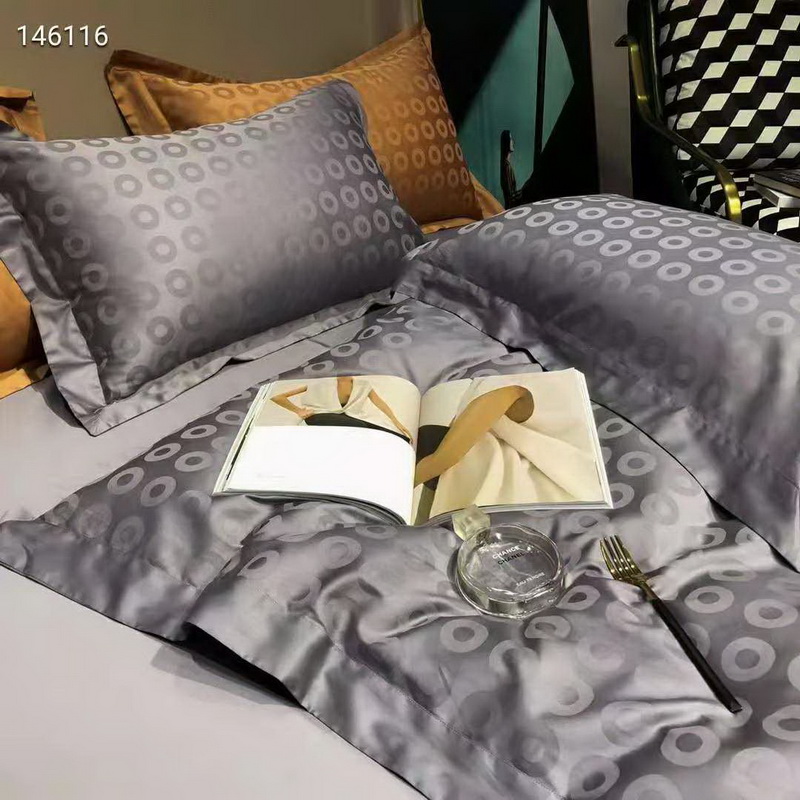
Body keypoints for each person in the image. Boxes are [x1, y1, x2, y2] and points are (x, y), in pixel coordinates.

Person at [270, 376, 413, 442]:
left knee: (401, 438)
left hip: (348, 417)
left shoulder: (362, 384)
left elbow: (380, 403)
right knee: (362, 428)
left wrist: (397, 423)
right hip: (319, 416)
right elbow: (277, 397)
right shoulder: (322, 382)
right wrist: (299, 411)